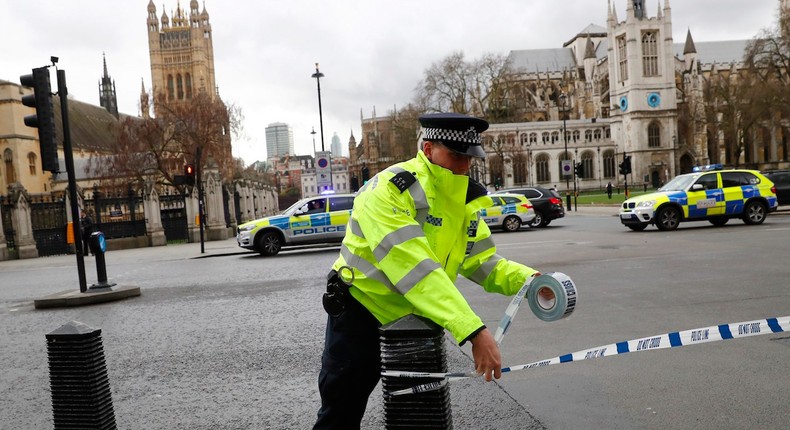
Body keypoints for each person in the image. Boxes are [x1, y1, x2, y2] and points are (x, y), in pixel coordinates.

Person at [313, 113, 546, 429]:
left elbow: (484, 263)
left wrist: (532, 282)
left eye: (469, 157)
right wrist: (473, 331)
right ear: (427, 148)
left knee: (419, 417)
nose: (464, 167)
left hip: (415, 324)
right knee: (340, 415)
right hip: (362, 314)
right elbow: (415, 268)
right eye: (456, 155)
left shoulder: (461, 202)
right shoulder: (389, 190)